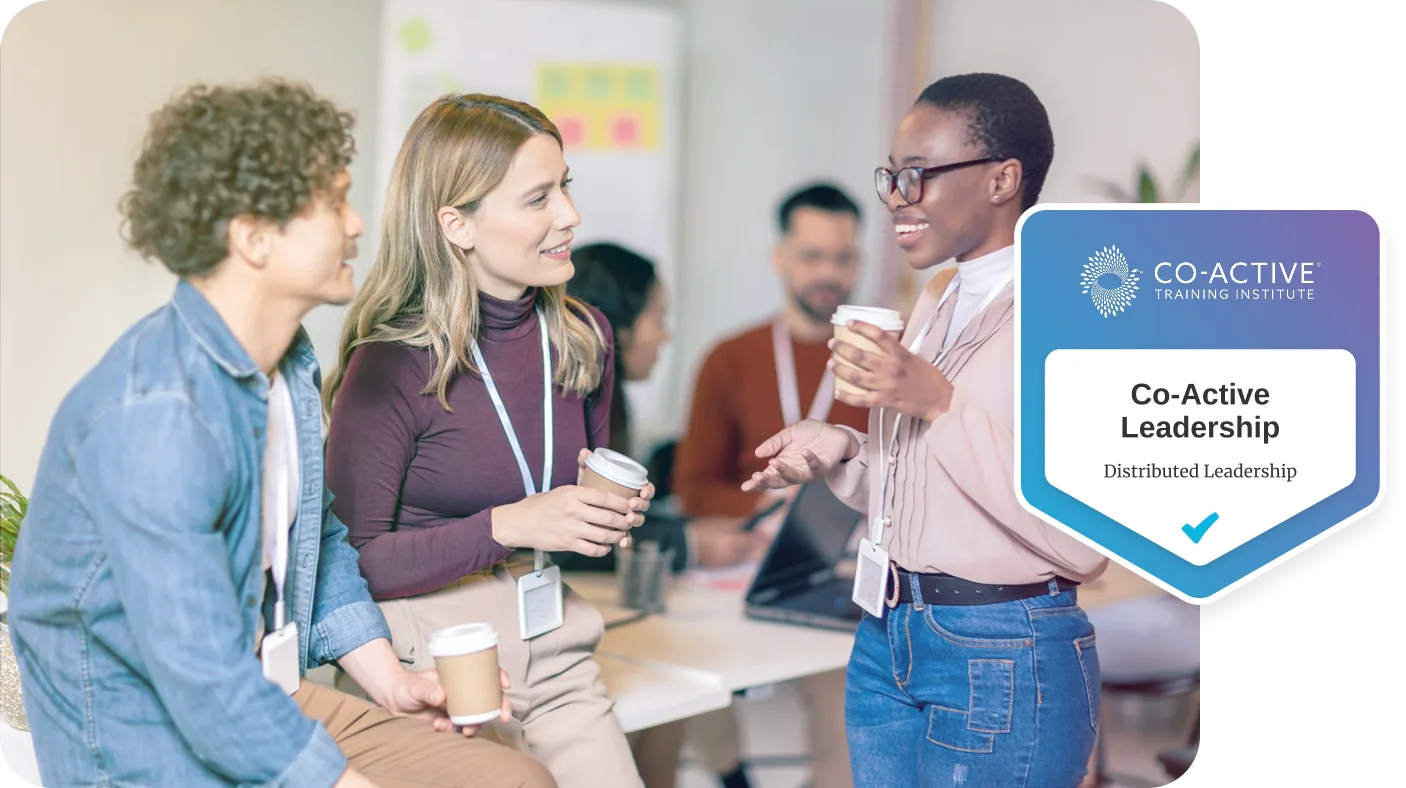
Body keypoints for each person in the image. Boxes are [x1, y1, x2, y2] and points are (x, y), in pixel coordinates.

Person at [5, 79, 553, 788]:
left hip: (264, 696)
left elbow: (313, 539)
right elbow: (200, 679)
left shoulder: (287, 362)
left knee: (516, 780)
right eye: (333, 203)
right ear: (253, 237)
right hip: (149, 738)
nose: (358, 224)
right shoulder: (156, 418)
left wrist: (390, 682)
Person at [742, 73, 1109, 788]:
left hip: (1003, 647)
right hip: (888, 633)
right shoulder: (939, 295)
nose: (897, 198)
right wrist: (843, 450)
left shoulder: (1074, 309)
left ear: (1003, 178)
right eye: (891, 175)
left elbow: (1083, 538)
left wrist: (938, 402)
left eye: (920, 175)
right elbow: (925, 487)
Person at [322, 95, 651, 788]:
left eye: (566, 186)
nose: (569, 216)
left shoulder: (583, 335)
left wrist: (605, 516)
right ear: (457, 224)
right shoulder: (392, 363)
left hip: (554, 645)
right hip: (433, 665)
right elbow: (351, 567)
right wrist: (510, 525)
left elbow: (569, 498)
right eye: (538, 198)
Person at [672, 183, 867, 788]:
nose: (828, 273)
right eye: (812, 256)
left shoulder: (879, 362)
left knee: (850, 699)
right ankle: (732, 775)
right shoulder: (730, 357)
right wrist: (767, 502)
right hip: (744, 570)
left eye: (843, 257)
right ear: (779, 257)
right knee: (687, 677)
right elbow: (692, 486)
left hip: (840, 570)